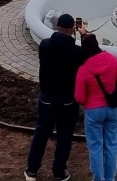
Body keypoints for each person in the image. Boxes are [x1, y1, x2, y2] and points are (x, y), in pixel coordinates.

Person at [24, 13, 86, 181]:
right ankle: (59, 171)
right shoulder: (77, 52)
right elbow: (89, 57)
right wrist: (84, 35)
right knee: (65, 135)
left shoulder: (44, 46)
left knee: (41, 133)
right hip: (68, 100)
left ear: (57, 27)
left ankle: (32, 170)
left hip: (47, 98)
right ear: (73, 28)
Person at [75, 33, 117, 181]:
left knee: (95, 147)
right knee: (112, 145)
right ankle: (110, 178)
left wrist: (89, 102)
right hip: (113, 109)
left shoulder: (83, 69)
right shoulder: (111, 58)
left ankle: (98, 179)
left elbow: (79, 97)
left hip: (93, 111)